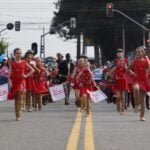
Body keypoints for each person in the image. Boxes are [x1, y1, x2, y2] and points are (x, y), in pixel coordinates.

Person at [9, 48, 34, 121]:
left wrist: (26, 75)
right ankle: (17, 113)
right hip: (14, 82)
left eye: (20, 53)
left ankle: (19, 113)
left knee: (19, 95)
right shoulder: (12, 63)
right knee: (17, 98)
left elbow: (32, 70)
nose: (19, 54)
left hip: (22, 82)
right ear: (14, 54)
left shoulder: (24, 62)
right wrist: (9, 81)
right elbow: (9, 74)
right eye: (17, 53)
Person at [129, 47, 150, 121]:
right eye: (137, 52)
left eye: (139, 52)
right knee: (136, 88)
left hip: (144, 81)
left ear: (143, 53)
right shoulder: (134, 61)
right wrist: (132, 73)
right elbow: (129, 69)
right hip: (136, 79)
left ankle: (142, 116)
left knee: (143, 100)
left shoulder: (146, 61)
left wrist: (147, 59)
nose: (138, 53)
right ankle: (137, 104)